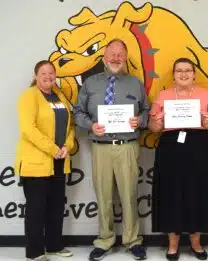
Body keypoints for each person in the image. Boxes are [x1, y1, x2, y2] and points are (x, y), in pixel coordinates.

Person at [73, 39, 149, 261]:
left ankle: (132, 240)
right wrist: (90, 125)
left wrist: (140, 120)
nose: (116, 58)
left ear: (125, 58)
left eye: (120, 54)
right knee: (104, 196)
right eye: (112, 54)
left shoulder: (136, 84)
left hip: (127, 147)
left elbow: (147, 110)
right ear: (104, 57)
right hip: (101, 147)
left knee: (129, 195)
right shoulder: (90, 84)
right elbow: (78, 112)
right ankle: (105, 240)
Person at [149, 57, 208, 261]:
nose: (183, 74)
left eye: (187, 70)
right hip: (170, 148)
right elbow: (153, 128)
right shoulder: (163, 96)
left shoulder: (205, 94)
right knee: (171, 193)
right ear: (173, 75)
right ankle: (173, 245)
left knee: (197, 193)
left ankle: (196, 243)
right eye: (179, 70)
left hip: (199, 148)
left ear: (194, 74)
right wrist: (157, 121)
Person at [15, 60, 75, 261]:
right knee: (36, 209)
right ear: (36, 76)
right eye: (43, 73)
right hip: (36, 163)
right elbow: (28, 129)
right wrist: (53, 149)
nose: (48, 76)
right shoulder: (28, 96)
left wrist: (68, 146)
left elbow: (70, 126)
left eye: (51, 73)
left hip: (59, 161)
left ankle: (54, 246)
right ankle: (34, 252)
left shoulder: (59, 96)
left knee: (56, 207)